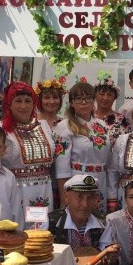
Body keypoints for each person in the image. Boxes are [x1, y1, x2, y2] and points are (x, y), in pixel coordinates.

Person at [0, 82, 55, 229]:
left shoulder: (43, 126)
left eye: (28, 101)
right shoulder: (1, 129)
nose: (23, 106)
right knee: (17, 231)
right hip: (16, 192)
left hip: (44, 191)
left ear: (34, 104)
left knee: (41, 235)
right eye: (18, 101)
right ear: (9, 104)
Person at [54, 82, 111, 215]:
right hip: (77, 182)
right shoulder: (64, 126)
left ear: (93, 101)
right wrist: (64, 198)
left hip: (100, 182)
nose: (84, 102)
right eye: (79, 99)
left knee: (98, 220)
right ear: (72, 103)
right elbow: (61, 168)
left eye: (88, 98)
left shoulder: (101, 125)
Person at [48, 174, 105, 250]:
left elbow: (106, 252)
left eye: (90, 197)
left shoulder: (103, 223)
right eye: (79, 197)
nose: (85, 204)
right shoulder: (50, 223)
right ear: (66, 197)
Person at [93, 73, 131, 146]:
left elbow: (125, 145)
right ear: (95, 96)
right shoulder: (88, 117)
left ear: (114, 98)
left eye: (110, 95)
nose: (105, 98)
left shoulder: (121, 120)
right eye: (101, 94)